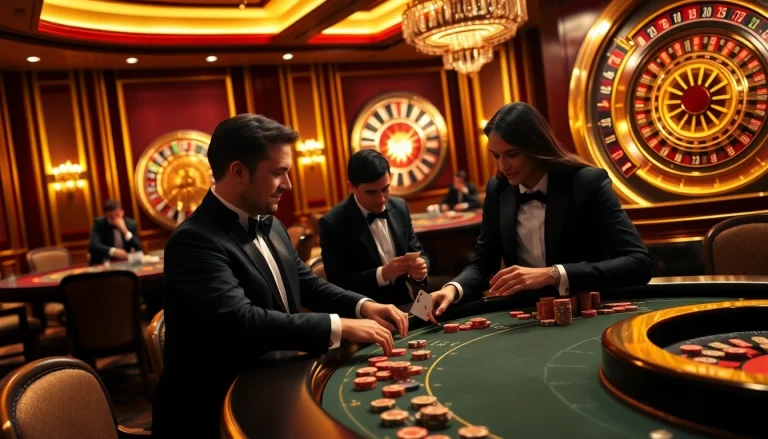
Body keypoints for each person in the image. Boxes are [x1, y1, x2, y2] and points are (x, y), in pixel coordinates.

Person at [151, 114, 409, 438]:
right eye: (278, 173)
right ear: (238, 172)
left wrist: (364, 306)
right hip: (213, 412)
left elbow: (308, 283)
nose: (288, 184)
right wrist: (340, 326)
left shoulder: (270, 223)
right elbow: (241, 320)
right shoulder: (194, 241)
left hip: (276, 380)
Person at [428, 102, 652, 320]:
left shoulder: (587, 183)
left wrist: (553, 274)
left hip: (586, 314)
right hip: (526, 317)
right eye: (495, 156)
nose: (502, 166)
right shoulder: (498, 189)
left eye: (512, 155)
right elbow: (482, 263)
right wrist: (453, 288)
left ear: (535, 148)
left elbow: (639, 263)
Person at [319, 150, 430, 307]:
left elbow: (419, 252)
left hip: (406, 302)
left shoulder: (400, 207)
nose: (381, 199)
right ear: (352, 187)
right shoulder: (332, 223)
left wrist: (420, 271)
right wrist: (382, 274)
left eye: (385, 189)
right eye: (371, 192)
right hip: (365, 313)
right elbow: (338, 282)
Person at [88, 200, 143, 264]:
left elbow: (138, 247)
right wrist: (113, 251)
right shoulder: (99, 223)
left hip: (126, 263)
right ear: (106, 215)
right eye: (111, 216)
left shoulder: (131, 224)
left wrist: (125, 231)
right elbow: (93, 246)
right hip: (104, 263)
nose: (115, 219)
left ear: (122, 212)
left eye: (117, 215)